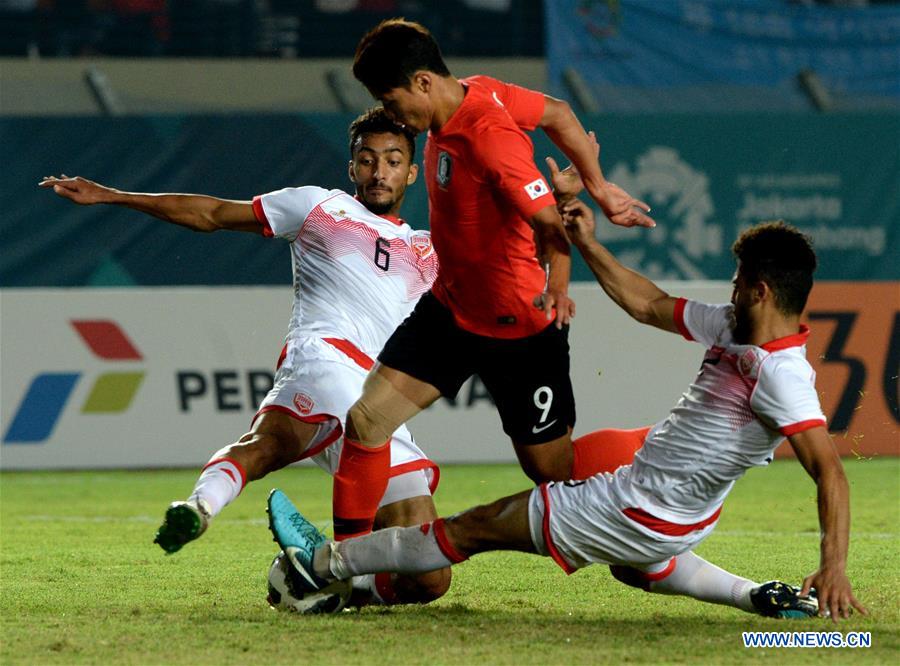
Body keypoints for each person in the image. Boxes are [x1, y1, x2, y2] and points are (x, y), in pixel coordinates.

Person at [268, 213, 867, 622]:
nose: (729, 292)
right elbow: (648, 303)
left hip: (635, 508)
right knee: (640, 568)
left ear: (760, 291)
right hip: (683, 516)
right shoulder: (739, 330)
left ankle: (322, 568)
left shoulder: (782, 374)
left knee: (472, 528)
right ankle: (760, 598)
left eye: (738, 285)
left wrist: (834, 568)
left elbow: (829, 472)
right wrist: (585, 243)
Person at [38, 108, 449, 607]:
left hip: (381, 392)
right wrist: (116, 196)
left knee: (428, 577)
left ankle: (316, 580)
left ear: (411, 172)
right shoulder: (318, 207)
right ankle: (202, 507)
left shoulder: (429, 252)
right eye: (366, 159)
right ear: (351, 168)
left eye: (391, 160)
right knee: (266, 446)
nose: (378, 171)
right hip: (324, 360)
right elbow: (210, 213)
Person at [322, 18, 657, 545]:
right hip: (450, 311)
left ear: (424, 83)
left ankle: (661, 448)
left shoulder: (489, 139)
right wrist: (600, 185)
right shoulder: (481, 91)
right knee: (365, 421)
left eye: (391, 99)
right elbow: (558, 113)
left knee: (553, 472)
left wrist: (560, 286)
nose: (392, 114)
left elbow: (550, 227)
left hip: (518, 329)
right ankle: (342, 562)